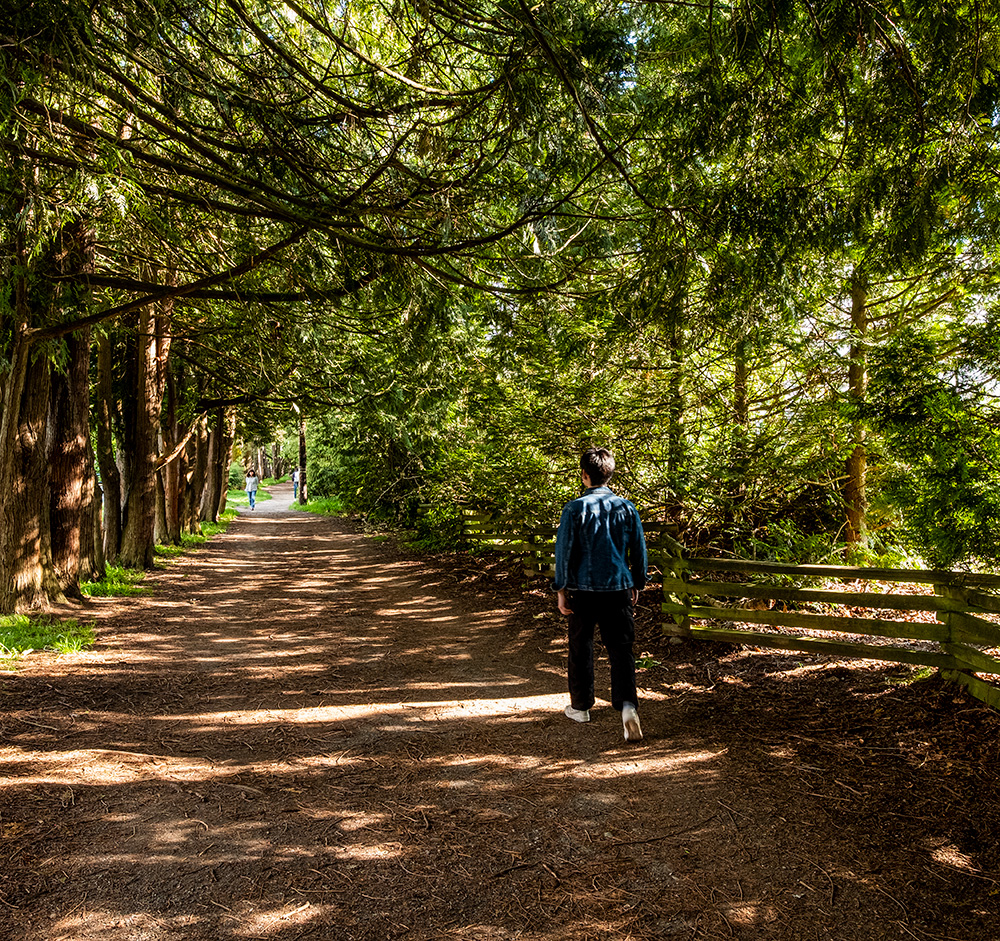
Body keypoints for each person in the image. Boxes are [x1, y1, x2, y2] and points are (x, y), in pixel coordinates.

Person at [553, 447, 648, 742]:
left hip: (582, 590)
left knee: (581, 647)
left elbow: (564, 552)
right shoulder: (626, 508)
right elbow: (639, 550)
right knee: (622, 649)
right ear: (610, 473)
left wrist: (561, 588)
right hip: (618, 587)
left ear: (584, 475)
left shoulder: (573, 509)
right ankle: (628, 706)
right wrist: (637, 582)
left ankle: (581, 707)